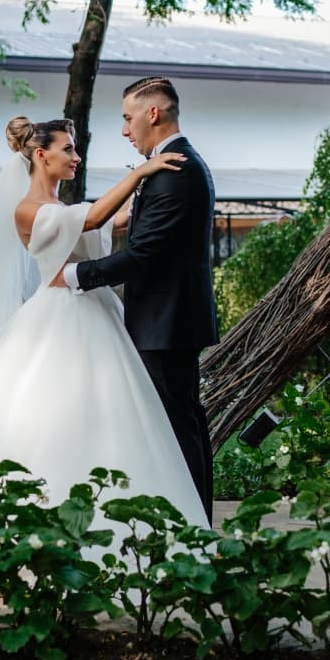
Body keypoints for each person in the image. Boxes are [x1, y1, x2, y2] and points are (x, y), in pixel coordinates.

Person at [0, 115, 209, 532]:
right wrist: (140, 172)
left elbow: (111, 220)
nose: (76, 156)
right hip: (58, 317)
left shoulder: (61, 209)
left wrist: (149, 186)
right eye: (67, 148)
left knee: (112, 415)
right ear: (40, 154)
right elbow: (93, 219)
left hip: (97, 313)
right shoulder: (27, 211)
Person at [55, 77, 219, 523]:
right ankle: (194, 522)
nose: (124, 130)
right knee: (181, 423)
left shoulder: (176, 170)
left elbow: (143, 255)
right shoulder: (169, 165)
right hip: (167, 319)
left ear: (153, 113)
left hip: (167, 323)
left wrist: (72, 275)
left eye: (128, 118)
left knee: (177, 428)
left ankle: (194, 527)